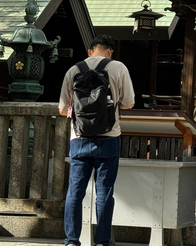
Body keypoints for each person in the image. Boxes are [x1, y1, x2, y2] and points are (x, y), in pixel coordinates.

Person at [59, 35, 135, 246]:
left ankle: (72, 240)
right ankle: (102, 241)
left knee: (75, 191)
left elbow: (62, 108)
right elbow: (129, 103)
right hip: (109, 137)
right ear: (110, 51)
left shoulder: (74, 70)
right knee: (104, 193)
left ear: (91, 51)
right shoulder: (118, 68)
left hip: (79, 137)